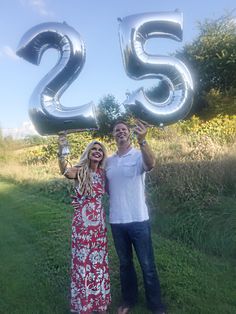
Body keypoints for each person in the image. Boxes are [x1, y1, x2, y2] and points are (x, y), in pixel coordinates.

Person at [105, 120, 166, 314]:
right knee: (125, 265)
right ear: (113, 135)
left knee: (147, 264)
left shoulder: (139, 154)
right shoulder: (109, 161)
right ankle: (129, 300)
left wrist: (143, 141)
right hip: (117, 221)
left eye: (124, 129)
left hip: (139, 219)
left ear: (129, 134)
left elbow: (151, 164)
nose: (121, 132)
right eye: (117, 130)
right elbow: (106, 187)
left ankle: (155, 305)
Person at [58, 136, 111, 314]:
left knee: (98, 263)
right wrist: (62, 150)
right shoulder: (80, 171)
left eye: (100, 150)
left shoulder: (103, 174)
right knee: (84, 264)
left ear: (103, 154)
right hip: (82, 227)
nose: (97, 151)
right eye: (93, 149)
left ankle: (99, 303)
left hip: (98, 227)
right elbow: (65, 171)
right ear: (88, 153)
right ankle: (84, 305)